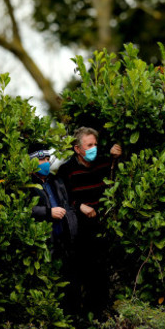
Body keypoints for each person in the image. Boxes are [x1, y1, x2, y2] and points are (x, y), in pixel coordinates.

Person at [57, 127, 122, 318]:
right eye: (89, 145)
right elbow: (64, 201)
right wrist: (80, 206)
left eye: (95, 144)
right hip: (79, 235)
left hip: (102, 232)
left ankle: (100, 321)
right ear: (77, 149)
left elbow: (115, 178)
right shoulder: (66, 170)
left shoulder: (103, 163)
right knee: (76, 282)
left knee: (100, 281)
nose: (94, 148)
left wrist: (115, 157)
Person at [28, 144, 79, 313]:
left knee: (69, 285)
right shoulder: (27, 185)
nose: (46, 162)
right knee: (48, 285)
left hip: (64, 240)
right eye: (41, 159)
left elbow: (67, 203)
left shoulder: (56, 180)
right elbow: (26, 210)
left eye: (47, 159)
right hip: (45, 243)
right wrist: (48, 212)